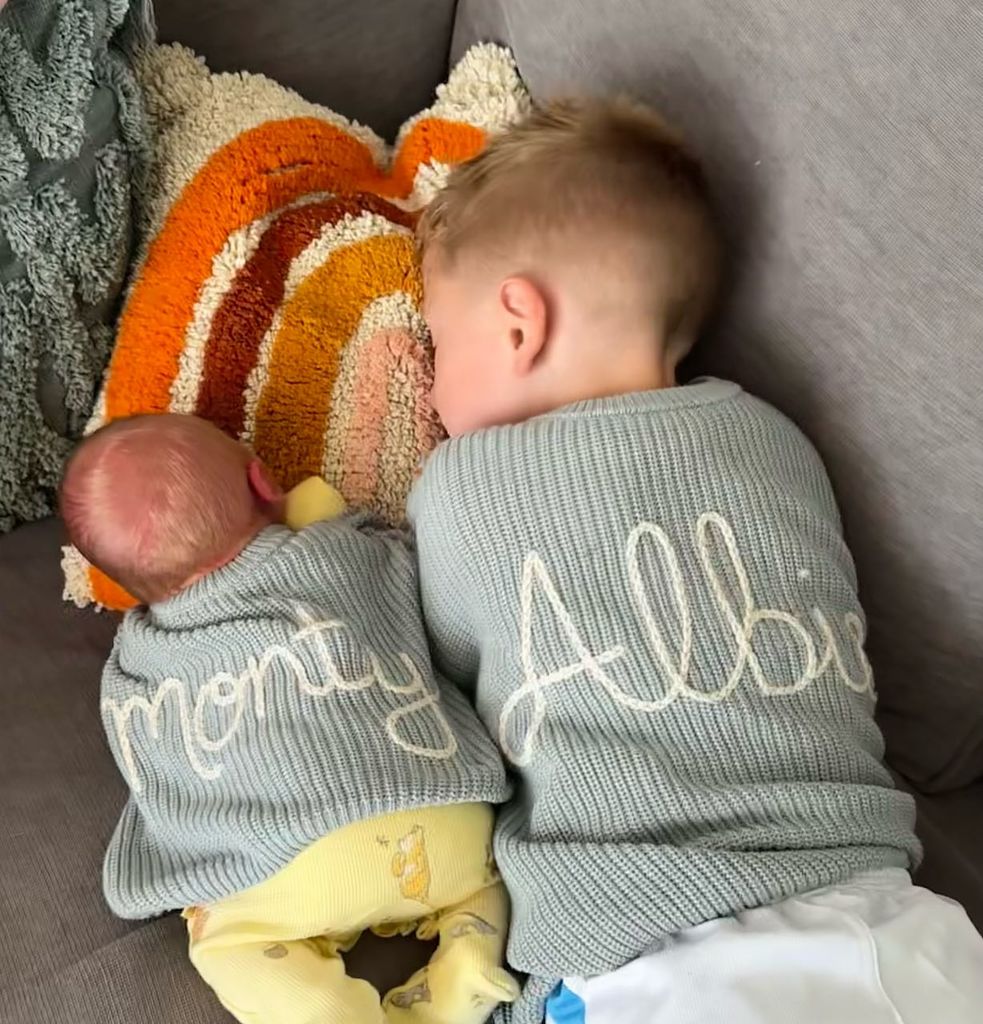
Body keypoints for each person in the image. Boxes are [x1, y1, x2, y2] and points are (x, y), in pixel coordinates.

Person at [408, 99, 983, 1024]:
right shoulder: (777, 442)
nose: (427, 388)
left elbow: (443, 703)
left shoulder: (463, 484)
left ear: (517, 321)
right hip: (901, 925)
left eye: (437, 341)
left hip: (660, 948)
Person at [61, 413, 518, 1024]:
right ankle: (471, 950)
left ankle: (334, 1013)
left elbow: (143, 742)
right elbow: (383, 553)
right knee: (489, 878)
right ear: (262, 480)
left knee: (231, 945)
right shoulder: (338, 554)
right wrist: (295, 507)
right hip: (445, 826)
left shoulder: (141, 655)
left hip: (282, 873)